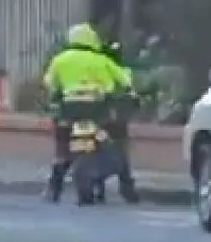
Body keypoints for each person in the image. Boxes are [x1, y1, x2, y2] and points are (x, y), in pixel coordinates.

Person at [42, 23, 133, 203]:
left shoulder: (60, 60)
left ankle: (54, 187)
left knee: (62, 148)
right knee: (116, 142)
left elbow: (49, 84)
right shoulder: (102, 60)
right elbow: (125, 81)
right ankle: (126, 186)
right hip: (97, 110)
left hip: (70, 110)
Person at [94, 40, 139, 204]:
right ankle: (126, 188)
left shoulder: (96, 67)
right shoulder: (122, 71)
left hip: (100, 117)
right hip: (114, 118)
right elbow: (131, 93)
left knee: (99, 148)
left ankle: (100, 186)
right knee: (119, 151)